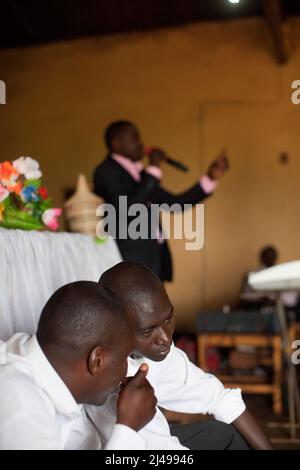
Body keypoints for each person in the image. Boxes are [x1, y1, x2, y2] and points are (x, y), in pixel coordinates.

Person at [98, 261, 274, 450]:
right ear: (115, 328)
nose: (165, 338)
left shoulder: (151, 353)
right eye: (148, 331)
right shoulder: (107, 377)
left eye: (168, 318)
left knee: (222, 434)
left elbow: (218, 397)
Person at [0, 281, 157, 450]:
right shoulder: (21, 406)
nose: (127, 369)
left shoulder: (48, 368)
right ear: (96, 361)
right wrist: (128, 427)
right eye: (124, 358)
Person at [93, 120, 229, 282]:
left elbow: (176, 205)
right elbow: (128, 210)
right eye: (135, 138)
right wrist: (154, 168)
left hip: (153, 259)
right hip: (128, 260)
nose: (141, 144)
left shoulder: (143, 175)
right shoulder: (106, 171)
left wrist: (210, 178)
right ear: (116, 143)